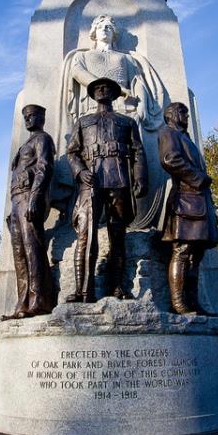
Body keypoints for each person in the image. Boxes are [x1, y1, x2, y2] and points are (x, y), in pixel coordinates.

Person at [55, 14, 166, 228]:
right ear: (94, 32)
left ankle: (123, 215)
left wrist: (141, 101)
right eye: (101, 26)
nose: (105, 30)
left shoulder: (126, 58)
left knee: (122, 161)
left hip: (124, 111)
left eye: (108, 27)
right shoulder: (82, 56)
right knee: (92, 159)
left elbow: (137, 80)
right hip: (92, 110)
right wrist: (115, 89)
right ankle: (90, 216)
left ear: (114, 33)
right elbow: (79, 74)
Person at [66, 77, 148, 303]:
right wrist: (80, 171)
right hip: (91, 182)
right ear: (92, 94)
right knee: (85, 235)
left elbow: (138, 152)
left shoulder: (127, 122)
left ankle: (118, 286)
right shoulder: (83, 122)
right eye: (97, 88)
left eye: (107, 87)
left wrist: (141, 177)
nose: (102, 90)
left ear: (114, 93)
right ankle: (83, 290)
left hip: (119, 180)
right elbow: (72, 152)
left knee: (118, 236)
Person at [158, 102, 218, 316]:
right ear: (171, 114)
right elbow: (169, 159)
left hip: (200, 202)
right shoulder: (168, 133)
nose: (186, 115)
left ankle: (194, 303)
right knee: (182, 251)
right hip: (185, 200)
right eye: (182, 111)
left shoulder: (186, 138)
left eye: (186, 111)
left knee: (197, 256)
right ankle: (178, 303)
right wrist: (199, 178)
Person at [1, 104, 55, 320]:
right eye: (26, 117)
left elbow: (44, 167)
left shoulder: (43, 139)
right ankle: (22, 303)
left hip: (28, 197)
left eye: (32, 116)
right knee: (19, 253)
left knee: (33, 250)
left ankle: (39, 300)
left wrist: (35, 197)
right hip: (17, 201)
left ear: (42, 117)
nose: (28, 120)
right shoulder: (26, 143)